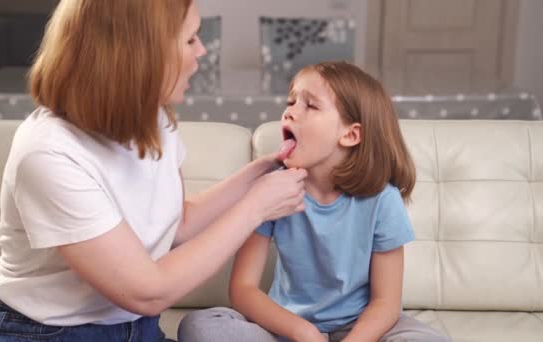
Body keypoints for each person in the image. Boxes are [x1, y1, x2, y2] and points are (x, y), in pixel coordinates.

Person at [0, 1, 307, 341]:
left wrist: (260, 172)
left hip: (135, 329)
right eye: (190, 40)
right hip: (42, 331)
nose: (202, 51)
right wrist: (256, 208)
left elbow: (178, 222)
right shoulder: (47, 152)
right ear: (141, 54)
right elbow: (148, 292)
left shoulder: (153, 118)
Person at [177, 61, 451, 342]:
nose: (289, 112)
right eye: (291, 101)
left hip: (360, 328)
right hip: (288, 329)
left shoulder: (382, 199)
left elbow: (386, 303)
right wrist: (304, 332)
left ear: (350, 134)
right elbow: (243, 289)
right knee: (201, 327)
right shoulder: (272, 191)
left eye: (311, 106)